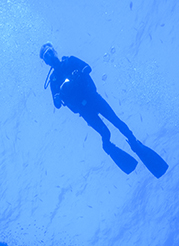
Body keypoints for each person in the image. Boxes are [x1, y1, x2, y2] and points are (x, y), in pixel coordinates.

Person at [39, 44, 167, 177]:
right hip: (84, 110)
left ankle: (135, 144)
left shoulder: (70, 61)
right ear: (46, 62)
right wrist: (59, 96)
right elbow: (57, 105)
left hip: (94, 98)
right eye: (45, 56)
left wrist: (79, 73)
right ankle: (108, 147)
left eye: (49, 52)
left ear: (55, 51)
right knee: (105, 133)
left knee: (118, 123)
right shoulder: (53, 81)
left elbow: (88, 67)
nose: (49, 56)